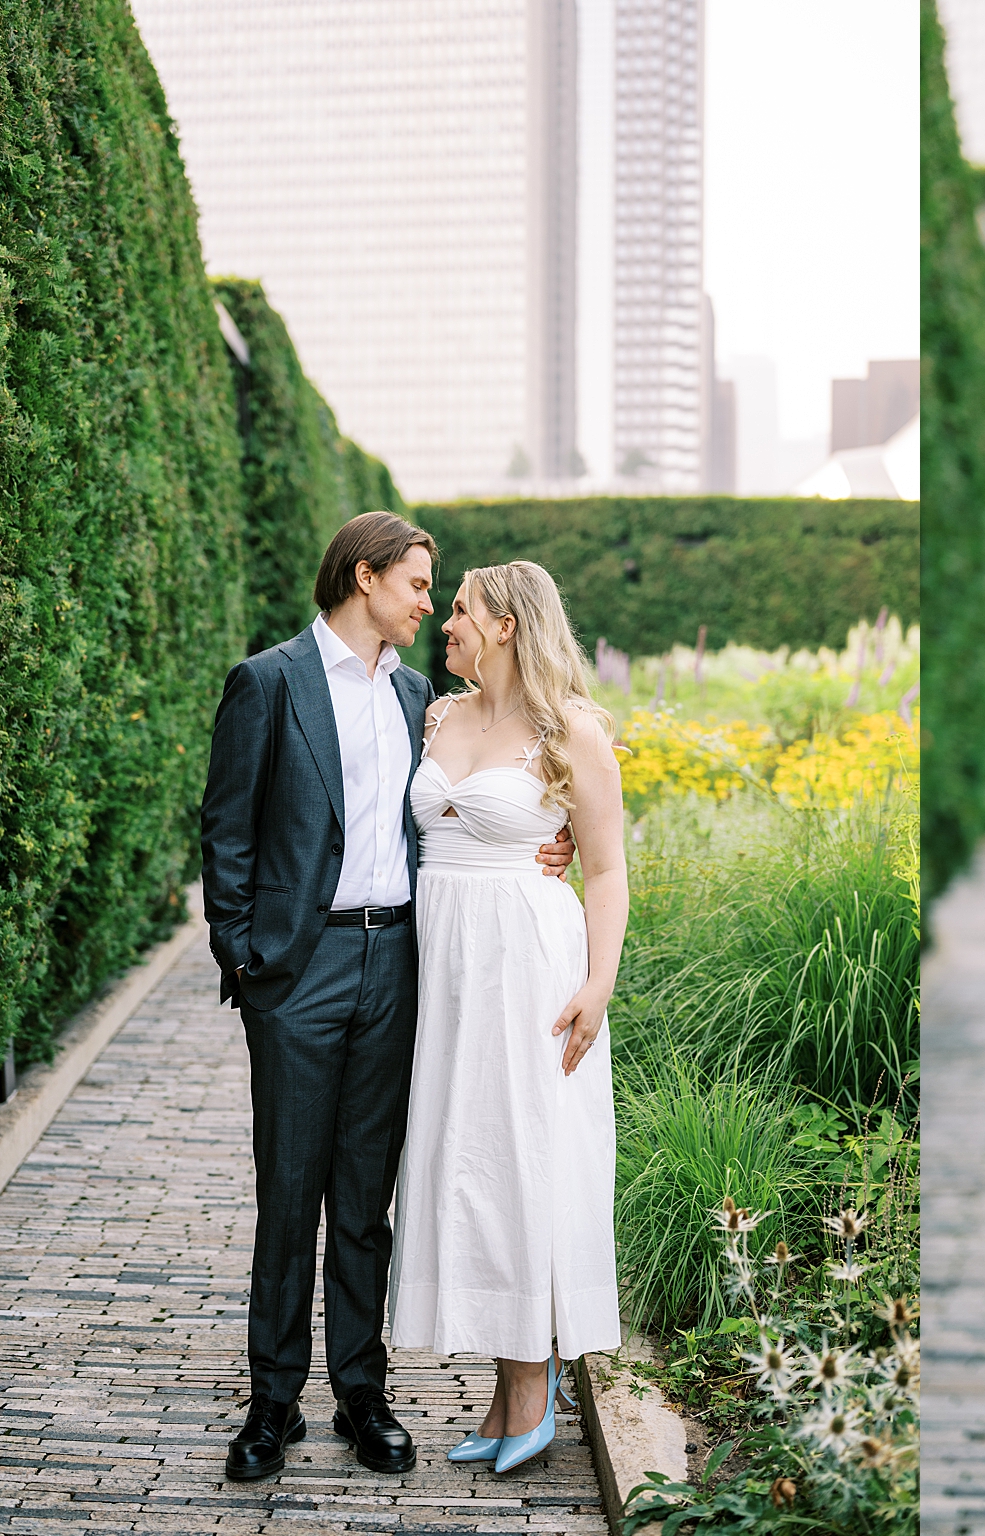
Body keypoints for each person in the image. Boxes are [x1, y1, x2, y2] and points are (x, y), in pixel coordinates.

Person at [201, 513, 573, 1482]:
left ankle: (361, 1397)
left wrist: (548, 842)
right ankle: (271, 1404)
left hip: (399, 966)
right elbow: (227, 830)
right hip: (299, 970)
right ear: (363, 579)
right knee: (290, 1193)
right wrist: (245, 958)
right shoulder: (269, 683)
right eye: (415, 585)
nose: (426, 605)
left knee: (366, 1199)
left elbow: (477, 797)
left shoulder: (421, 699)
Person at [389, 559, 627, 1475]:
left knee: (525, 1162)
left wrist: (598, 983)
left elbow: (603, 870)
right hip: (442, 967)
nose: (443, 623)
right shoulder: (435, 717)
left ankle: (531, 1391)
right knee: (468, 1166)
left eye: (458, 610)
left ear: (507, 625)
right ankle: (504, 1390)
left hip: (529, 967)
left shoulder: (570, 730)